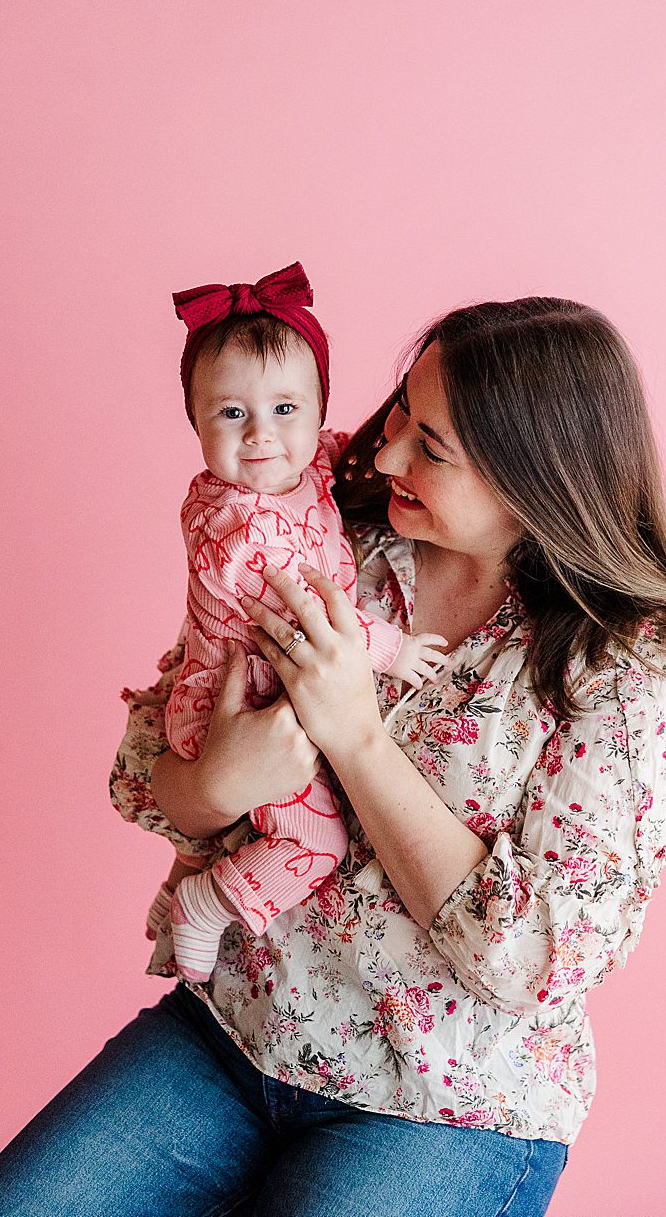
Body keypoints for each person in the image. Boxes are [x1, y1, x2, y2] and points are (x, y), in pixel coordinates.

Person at [0, 296, 666, 1217]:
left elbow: (528, 961)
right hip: (233, 1031)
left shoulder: (630, 670)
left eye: (431, 448)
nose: (382, 455)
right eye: (398, 417)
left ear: (535, 477)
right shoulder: (337, 536)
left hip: (439, 1105)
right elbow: (144, 773)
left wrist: (359, 738)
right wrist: (219, 780)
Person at [147, 262, 444, 981]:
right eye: (230, 413)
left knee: (224, 825)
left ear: (316, 411)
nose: (261, 437)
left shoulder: (302, 470)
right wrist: (395, 650)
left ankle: (173, 886)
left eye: (286, 410)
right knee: (314, 842)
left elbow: (338, 449)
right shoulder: (238, 527)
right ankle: (205, 904)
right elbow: (310, 626)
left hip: (256, 687)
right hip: (246, 703)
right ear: (195, 418)